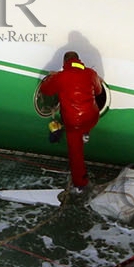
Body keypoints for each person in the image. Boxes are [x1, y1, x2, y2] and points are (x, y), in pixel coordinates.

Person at [37, 51, 107, 193]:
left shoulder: (61, 77)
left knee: (76, 154)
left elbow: (46, 90)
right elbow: (99, 91)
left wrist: (53, 77)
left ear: (64, 63)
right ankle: (85, 133)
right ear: (78, 60)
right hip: (92, 117)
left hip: (75, 122)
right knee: (86, 125)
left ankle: (80, 183)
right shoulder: (91, 73)